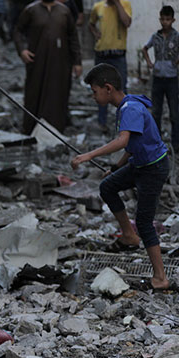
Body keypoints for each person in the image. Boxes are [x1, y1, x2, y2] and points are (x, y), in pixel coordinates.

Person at [71, 63, 172, 291]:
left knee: (145, 222)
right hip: (139, 163)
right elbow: (134, 142)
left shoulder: (130, 109)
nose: (93, 95)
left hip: (153, 168)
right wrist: (117, 167)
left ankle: (160, 277)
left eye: (94, 91)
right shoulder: (126, 106)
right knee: (107, 186)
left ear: (108, 88)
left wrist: (88, 155)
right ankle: (128, 235)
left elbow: (123, 140)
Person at [13, 0, 82, 134]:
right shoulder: (31, 10)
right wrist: (22, 50)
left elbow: (73, 37)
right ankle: (31, 129)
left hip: (61, 62)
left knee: (58, 93)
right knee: (34, 93)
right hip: (37, 61)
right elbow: (17, 31)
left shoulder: (64, 11)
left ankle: (56, 129)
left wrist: (77, 61)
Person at [89, 0, 132, 132]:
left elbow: (127, 23)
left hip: (118, 55)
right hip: (101, 54)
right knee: (100, 89)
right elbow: (91, 24)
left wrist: (117, 4)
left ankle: (126, 123)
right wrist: (95, 33)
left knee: (121, 88)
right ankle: (102, 123)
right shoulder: (98, 6)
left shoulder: (124, 4)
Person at [143, 5, 179, 153]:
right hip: (157, 78)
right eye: (163, 19)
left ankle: (175, 143)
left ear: (173, 20)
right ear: (160, 19)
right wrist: (149, 63)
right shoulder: (155, 36)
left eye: (168, 19)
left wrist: (175, 62)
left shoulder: (176, 37)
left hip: (172, 79)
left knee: (174, 113)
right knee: (156, 112)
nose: (165, 22)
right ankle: (156, 142)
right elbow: (145, 48)